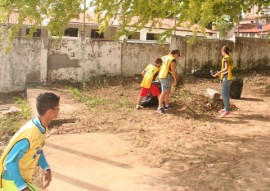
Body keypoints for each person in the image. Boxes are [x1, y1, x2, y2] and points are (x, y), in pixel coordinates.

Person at [0, 92, 60, 191]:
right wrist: (22, 187)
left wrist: (46, 168)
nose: (59, 110)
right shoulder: (30, 133)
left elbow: (37, 150)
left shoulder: (41, 128)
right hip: (11, 180)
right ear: (50, 112)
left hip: (20, 179)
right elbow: (10, 161)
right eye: (57, 107)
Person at [213, 46, 234, 118]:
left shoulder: (225, 58)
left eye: (221, 51)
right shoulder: (229, 57)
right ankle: (225, 108)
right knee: (226, 93)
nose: (221, 53)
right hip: (229, 76)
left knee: (224, 94)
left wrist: (218, 73)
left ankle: (227, 110)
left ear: (223, 51)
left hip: (227, 77)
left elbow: (225, 68)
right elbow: (230, 67)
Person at [157, 49, 180, 113]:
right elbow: (172, 70)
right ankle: (159, 107)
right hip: (165, 76)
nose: (177, 57)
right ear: (175, 54)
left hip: (162, 75)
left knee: (167, 91)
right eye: (177, 55)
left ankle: (167, 105)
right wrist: (175, 80)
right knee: (164, 92)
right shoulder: (172, 59)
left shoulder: (163, 57)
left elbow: (160, 66)